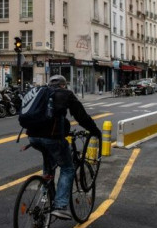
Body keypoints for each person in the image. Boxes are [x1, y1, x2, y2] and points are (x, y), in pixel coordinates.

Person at [26, 75, 102, 220]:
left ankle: (44, 197)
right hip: (52, 139)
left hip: (33, 137)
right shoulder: (65, 94)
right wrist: (94, 131)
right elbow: (81, 116)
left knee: (49, 167)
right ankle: (61, 205)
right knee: (68, 168)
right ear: (63, 85)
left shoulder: (42, 93)